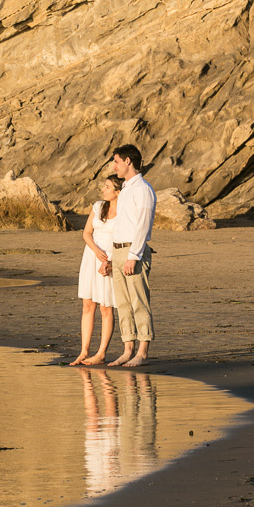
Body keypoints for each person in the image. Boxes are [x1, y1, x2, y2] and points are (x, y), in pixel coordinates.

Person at [107, 144, 157, 368]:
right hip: (118, 250)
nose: (114, 166)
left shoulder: (142, 188)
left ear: (128, 161)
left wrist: (133, 256)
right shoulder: (126, 187)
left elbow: (143, 225)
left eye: (117, 161)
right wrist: (111, 256)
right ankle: (128, 349)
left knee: (139, 301)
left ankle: (143, 351)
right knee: (123, 304)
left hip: (132, 251)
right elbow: (121, 224)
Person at [72, 175, 124, 366]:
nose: (103, 189)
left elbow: (121, 239)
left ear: (117, 192)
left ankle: (101, 352)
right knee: (88, 305)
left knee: (106, 307)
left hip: (110, 259)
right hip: (92, 257)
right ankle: (84, 351)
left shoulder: (124, 213)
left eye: (108, 187)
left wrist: (108, 261)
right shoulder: (98, 206)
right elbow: (86, 233)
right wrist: (97, 252)